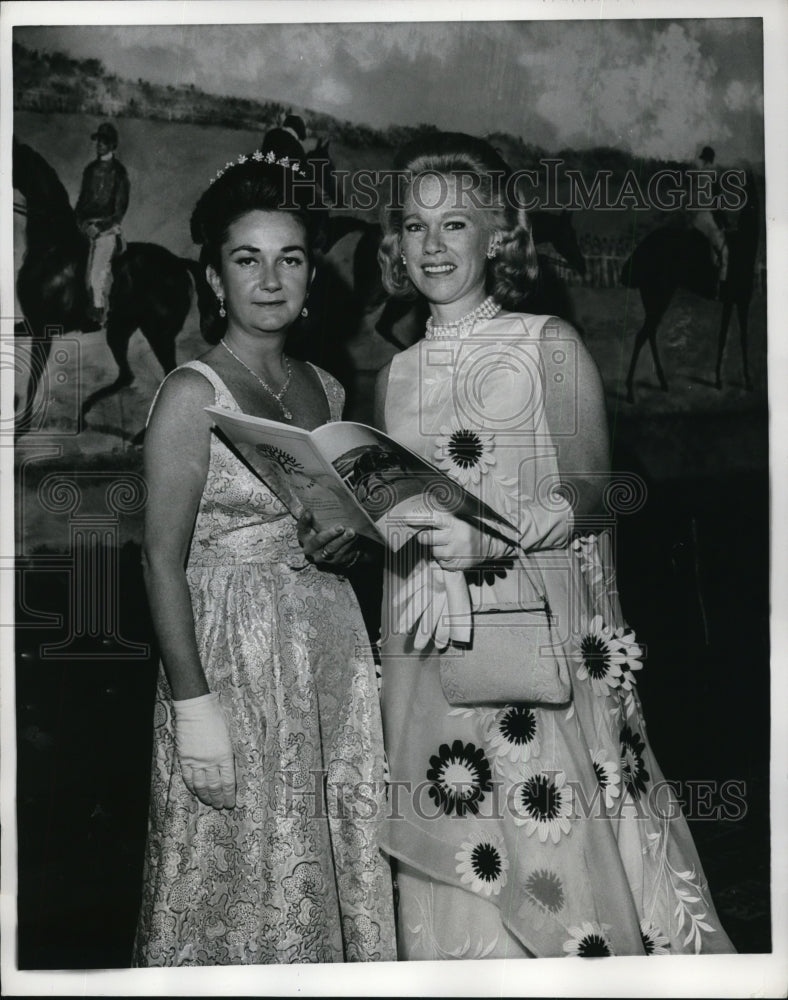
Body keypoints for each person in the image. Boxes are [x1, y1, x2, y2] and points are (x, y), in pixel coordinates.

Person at [374, 132, 735, 959]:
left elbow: (600, 494)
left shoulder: (547, 345)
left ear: (497, 237)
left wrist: (488, 535)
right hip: (424, 646)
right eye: (415, 227)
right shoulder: (395, 375)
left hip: (533, 644)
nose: (432, 246)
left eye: (455, 225)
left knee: (552, 856)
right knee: (457, 847)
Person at [132, 151, 395, 966]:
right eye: (247, 259)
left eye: (290, 260)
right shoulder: (190, 391)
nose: (271, 279)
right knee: (240, 878)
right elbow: (158, 559)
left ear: (311, 277)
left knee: (329, 858)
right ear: (215, 278)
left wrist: (342, 543)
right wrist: (192, 708)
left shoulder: (327, 387)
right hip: (230, 662)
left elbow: (331, 532)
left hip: (329, 655)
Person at [75, 122, 130, 330]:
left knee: (97, 272)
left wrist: (99, 227)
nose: (99, 144)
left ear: (112, 145)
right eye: (97, 140)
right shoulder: (90, 170)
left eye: (103, 141)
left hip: (107, 230)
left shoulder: (119, 172)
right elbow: (81, 203)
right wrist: (81, 223)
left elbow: (120, 210)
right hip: (86, 227)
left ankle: (97, 316)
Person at [692, 145, 729, 289]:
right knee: (724, 253)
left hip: (696, 218)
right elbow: (717, 201)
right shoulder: (714, 174)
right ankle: (722, 287)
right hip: (708, 217)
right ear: (712, 159)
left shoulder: (699, 175)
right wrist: (724, 222)